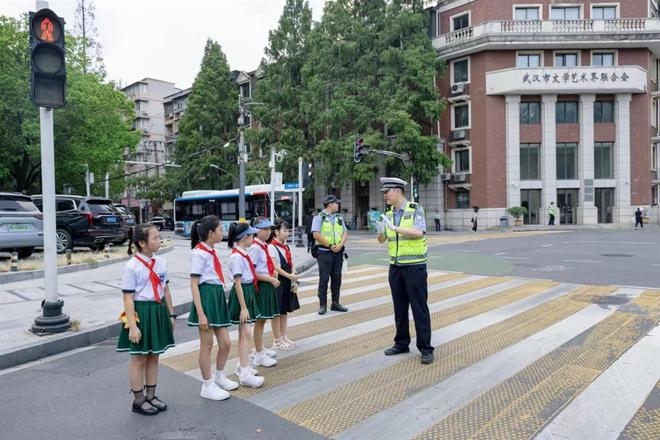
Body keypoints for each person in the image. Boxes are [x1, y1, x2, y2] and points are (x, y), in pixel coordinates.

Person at [117, 223, 176, 415]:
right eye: (155, 238)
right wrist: (133, 326)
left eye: (159, 237)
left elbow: (165, 289)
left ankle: (151, 395)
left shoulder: (161, 262)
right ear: (142, 243)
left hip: (158, 310)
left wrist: (171, 314)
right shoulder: (132, 266)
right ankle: (138, 400)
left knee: (154, 355)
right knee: (139, 359)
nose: (159, 241)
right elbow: (128, 297)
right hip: (141, 312)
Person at [376, 177, 434, 365]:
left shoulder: (415, 209)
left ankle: (425, 348)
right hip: (395, 266)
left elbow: (419, 232)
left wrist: (396, 228)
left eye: (387, 192)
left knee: (419, 308)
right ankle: (401, 343)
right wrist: (381, 231)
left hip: (414, 266)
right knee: (399, 308)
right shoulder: (388, 213)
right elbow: (382, 240)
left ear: (398, 191)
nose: (385, 195)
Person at [187, 215, 238, 401]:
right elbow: (194, 284)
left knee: (226, 343)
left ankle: (219, 376)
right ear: (211, 233)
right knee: (207, 345)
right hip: (207, 297)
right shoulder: (198, 253)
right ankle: (207, 385)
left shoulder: (211, 251)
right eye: (220, 229)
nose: (223, 232)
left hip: (216, 295)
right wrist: (201, 313)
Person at [226, 222, 265, 388]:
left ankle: (243, 366)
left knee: (246, 333)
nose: (253, 238)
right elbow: (238, 283)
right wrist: (243, 307)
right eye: (251, 235)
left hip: (248, 291)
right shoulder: (236, 257)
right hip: (242, 293)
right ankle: (243, 372)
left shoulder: (243, 253)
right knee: (245, 332)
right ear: (244, 237)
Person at [248, 217, 281, 367]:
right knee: (260, 320)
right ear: (255, 230)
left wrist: (272, 273)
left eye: (269, 229)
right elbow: (252, 272)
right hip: (261, 285)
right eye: (264, 229)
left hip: (266, 282)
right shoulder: (255, 247)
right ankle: (259, 354)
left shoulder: (262, 246)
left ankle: (259, 348)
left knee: (263, 320)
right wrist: (270, 279)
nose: (268, 232)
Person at [311, 195, 349, 315]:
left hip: (338, 252)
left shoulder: (339, 218)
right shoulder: (319, 218)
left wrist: (340, 245)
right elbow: (316, 234)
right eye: (336, 203)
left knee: (337, 278)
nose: (338, 205)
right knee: (324, 278)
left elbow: (345, 232)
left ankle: (335, 303)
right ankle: (322, 305)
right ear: (330, 204)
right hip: (324, 252)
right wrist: (331, 245)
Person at [268, 219, 300, 349]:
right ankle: (277, 340)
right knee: (277, 311)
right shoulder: (271, 247)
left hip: (287, 280)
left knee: (284, 310)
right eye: (284, 230)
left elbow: (290, 262)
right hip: (278, 282)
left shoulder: (286, 246)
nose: (287, 233)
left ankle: (284, 336)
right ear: (276, 232)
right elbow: (275, 267)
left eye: (288, 230)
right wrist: (289, 275)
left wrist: (293, 272)